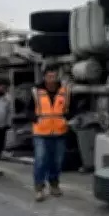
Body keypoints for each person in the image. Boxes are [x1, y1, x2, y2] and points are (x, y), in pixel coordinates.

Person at [26, 66, 71, 202]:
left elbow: (72, 108)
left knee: (57, 161)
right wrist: (35, 118)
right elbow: (28, 110)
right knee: (41, 160)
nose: (52, 79)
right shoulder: (36, 91)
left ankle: (54, 184)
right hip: (41, 132)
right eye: (49, 76)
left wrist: (67, 119)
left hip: (60, 131)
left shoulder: (65, 91)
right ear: (44, 77)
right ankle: (39, 188)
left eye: (54, 76)